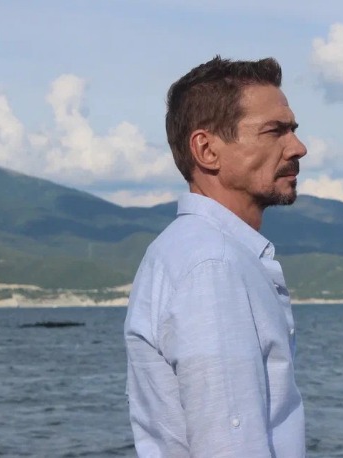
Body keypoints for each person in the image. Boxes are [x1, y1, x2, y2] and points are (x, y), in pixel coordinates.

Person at [124, 56, 307, 457]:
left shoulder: (195, 251)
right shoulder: (213, 264)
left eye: (293, 130)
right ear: (206, 150)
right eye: (275, 131)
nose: (298, 147)